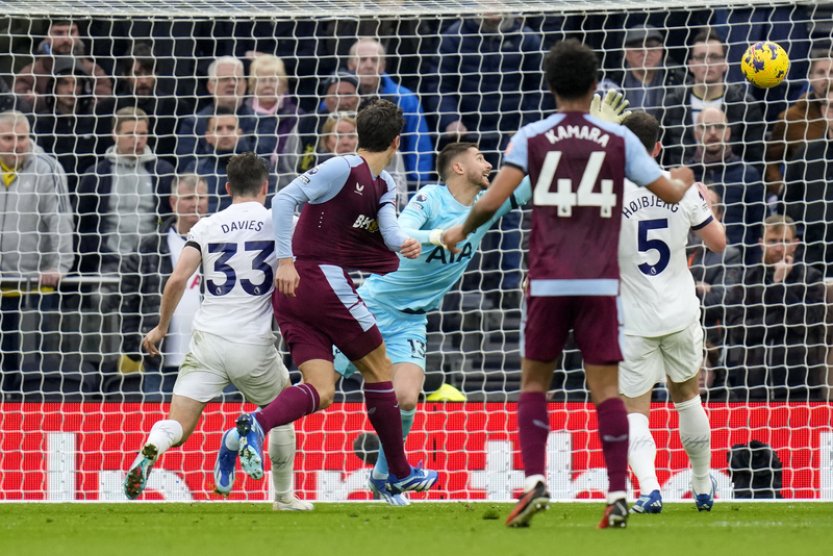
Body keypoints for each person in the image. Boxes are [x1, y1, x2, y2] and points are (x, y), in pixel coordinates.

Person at [444, 41, 695, 529]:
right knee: (607, 390)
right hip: (600, 284)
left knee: (535, 382)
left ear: (551, 84)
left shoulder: (532, 136)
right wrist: (683, 177)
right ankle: (620, 491)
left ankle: (536, 479)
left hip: (549, 279)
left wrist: (461, 228)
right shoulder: (617, 138)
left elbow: (495, 198)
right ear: (596, 83)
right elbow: (668, 191)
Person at [218, 99, 439, 498]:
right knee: (380, 369)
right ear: (396, 141)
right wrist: (285, 259)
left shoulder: (385, 184)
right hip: (318, 277)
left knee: (321, 390)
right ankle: (398, 472)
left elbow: (389, 232)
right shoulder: (341, 167)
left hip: (296, 295)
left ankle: (254, 425)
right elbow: (285, 200)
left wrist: (407, 243)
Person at [333, 142, 531, 505]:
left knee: (407, 398)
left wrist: (589, 136)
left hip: (411, 321)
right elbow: (402, 232)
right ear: (458, 168)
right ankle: (248, 434)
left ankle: (385, 476)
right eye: (480, 158)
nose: (488, 164)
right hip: (373, 306)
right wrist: (438, 236)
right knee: (320, 390)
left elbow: (533, 181)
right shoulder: (430, 197)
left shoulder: (483, 209)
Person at [123, 153, 311, 512]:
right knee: (283, 414)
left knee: (178, 424)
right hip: (253, 344)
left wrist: (161, 327)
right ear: (266, 187)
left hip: (206, 341)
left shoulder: (207, 226)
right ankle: (284, 497)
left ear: (226, 188)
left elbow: (178, 279)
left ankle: (153, 446)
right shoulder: (281, 221)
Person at [614, 111, 725, 514]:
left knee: (634, 409)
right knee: (687, 397)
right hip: (680, 312)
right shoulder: (683, 186)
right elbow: (717, 243)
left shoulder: (609, 195)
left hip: (633, 318)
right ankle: (701, 486)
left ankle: (649, 488)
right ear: (658, 147)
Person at [0, 110, 73, 396]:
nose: (16, 144)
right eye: (7, 138)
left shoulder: (47, 167)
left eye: (22, 138)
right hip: (2, 283)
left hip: (38, 283)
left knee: (35, 369)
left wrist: (59, 266)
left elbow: (60, 219)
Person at [119, 174, 209, 399]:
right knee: (158, 427)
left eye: (201, 197)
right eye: (188, 197)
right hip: (160, 364)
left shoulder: (222, 244)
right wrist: (135, 344)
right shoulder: (148, 248)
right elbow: (129, 299)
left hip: (211, 363)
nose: (195, 203)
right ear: (173, 202)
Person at [724, 214, 827, 402]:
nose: (779, 247)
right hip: (752, 387)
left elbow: (807, 322)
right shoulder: (746, 280)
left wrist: (779, 285)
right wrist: (783, 320)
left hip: (800, 384)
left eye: (784, 241)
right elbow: (738, 331)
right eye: (773, 241)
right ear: (761, 243)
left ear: (795, 243)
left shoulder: (811, 277)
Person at [76, 107, 176, 274]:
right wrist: (100, 253)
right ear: (115, 134)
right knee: (101, 298)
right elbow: (82, 223)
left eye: (142, 134)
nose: (137, 140)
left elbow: (170, 218)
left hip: (154, 260)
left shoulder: (164, 172)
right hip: (109, 261)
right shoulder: (96, 175)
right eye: (130, 134)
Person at [347, 38, 433, 183]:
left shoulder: (405, 99)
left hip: (394, 181)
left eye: (374, 60)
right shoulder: (335, 98)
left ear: (383, 66)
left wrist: (416, 185)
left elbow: (419, 146)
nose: (369, 65)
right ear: (350, 65)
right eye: (362, 60)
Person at [686, 106, 766, 264]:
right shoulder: (685, 177)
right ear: (696, 133)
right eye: (706, 127)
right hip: (692, 267)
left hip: (742, 266)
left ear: (728, 133)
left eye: (719, 127)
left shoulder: (748, 174)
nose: (713, 132)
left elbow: (758, 228)